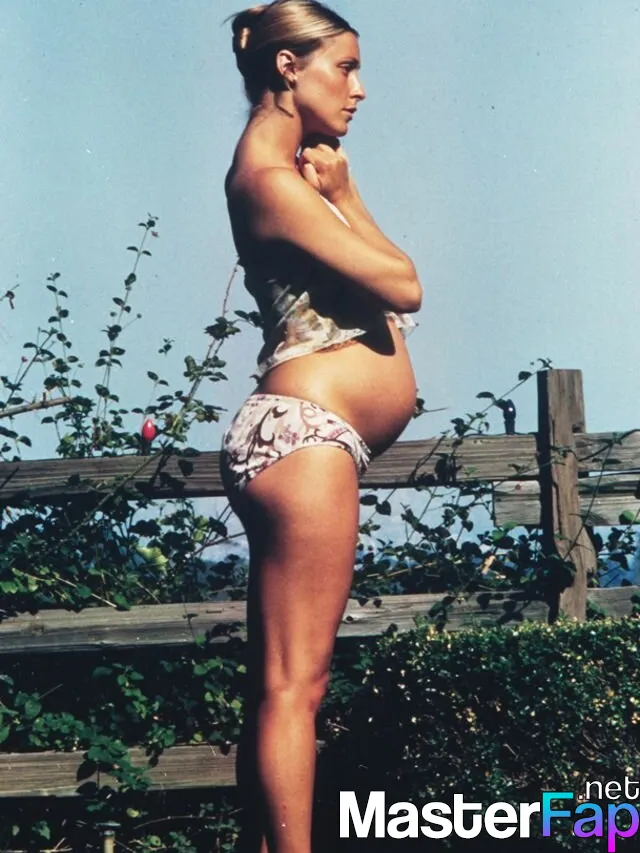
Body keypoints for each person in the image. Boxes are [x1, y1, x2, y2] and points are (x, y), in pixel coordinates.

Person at [219, 2, 422, 850]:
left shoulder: (289, 178)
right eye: (345, 67)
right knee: (294, 688)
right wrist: (345, 196)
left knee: (283, 686)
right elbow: (404, 284)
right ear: (287, 67)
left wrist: (340, 191)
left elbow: (388, 280)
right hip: (304, 436)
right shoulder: (270, 181)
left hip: (304, 437)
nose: (358, 89)